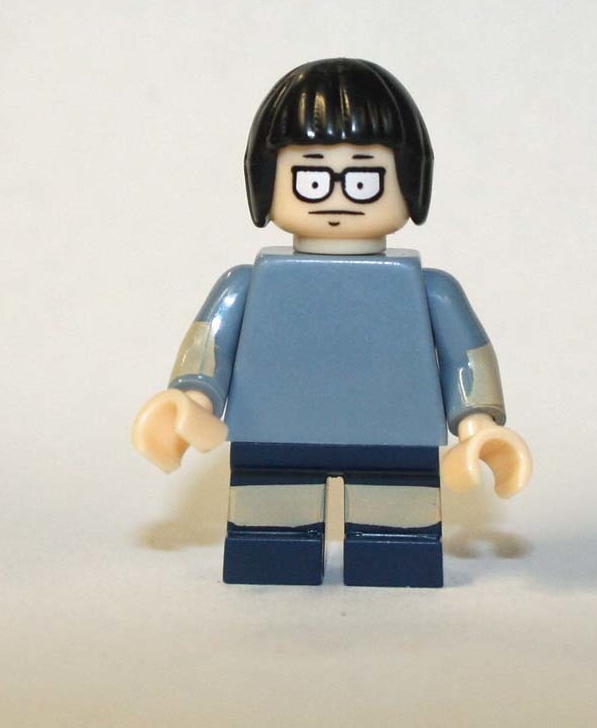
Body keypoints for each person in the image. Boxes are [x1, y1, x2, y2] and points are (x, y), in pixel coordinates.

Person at [132, 58, 532, 587]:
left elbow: (467, 358)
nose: (337, 198)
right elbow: (210, 350)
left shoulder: (429, 290)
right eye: (312, 179)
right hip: (274, 436)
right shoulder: (246, 284)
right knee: (271, 536)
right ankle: (275, 551)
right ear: (266, 180)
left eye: (363, 180)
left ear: (410, 181)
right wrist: (192, 400)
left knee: (397, 539)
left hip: (396, 438)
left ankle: (394, 554)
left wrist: (477, 423)